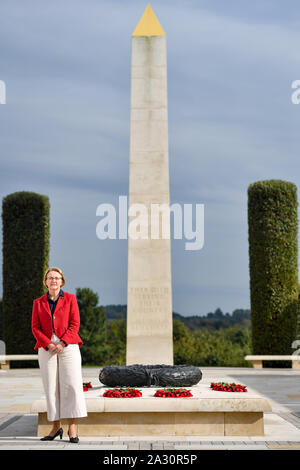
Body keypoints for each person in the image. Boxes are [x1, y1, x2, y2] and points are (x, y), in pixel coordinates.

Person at [31, 267, 87, 443]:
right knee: (51, 388)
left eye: (57, 278)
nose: (53, 281)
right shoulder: (38, 303)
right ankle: (56, 427)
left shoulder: (70, 299)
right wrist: (48, 343)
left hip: (68, 347)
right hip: (46, 348)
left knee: (71, 386)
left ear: (62, 281)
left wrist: (62, 342)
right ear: (45, 282)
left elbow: (75, 323)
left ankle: (71, 428)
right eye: (50, 278)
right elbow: (35, 327)